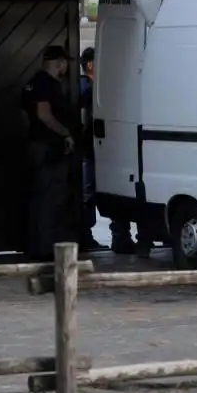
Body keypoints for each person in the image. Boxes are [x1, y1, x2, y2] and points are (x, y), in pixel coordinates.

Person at [22, 46, 77, 261]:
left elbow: (24, 115)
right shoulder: (46, 84)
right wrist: (66, 134)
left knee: (40, 197)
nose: (66, 67)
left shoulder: (32, 82)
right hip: (48, 147)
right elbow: (44, 115)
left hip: (38, 145)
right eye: (65, 62)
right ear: (59, 62)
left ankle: (39, 246)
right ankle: (46, 249)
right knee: (51, 198)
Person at [78, 48, 109, 253]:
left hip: (90, 147)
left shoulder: (86, 85)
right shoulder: (87, 86)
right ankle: (85, 236)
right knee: (87, 193)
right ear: (90, 65)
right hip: (89, 148)